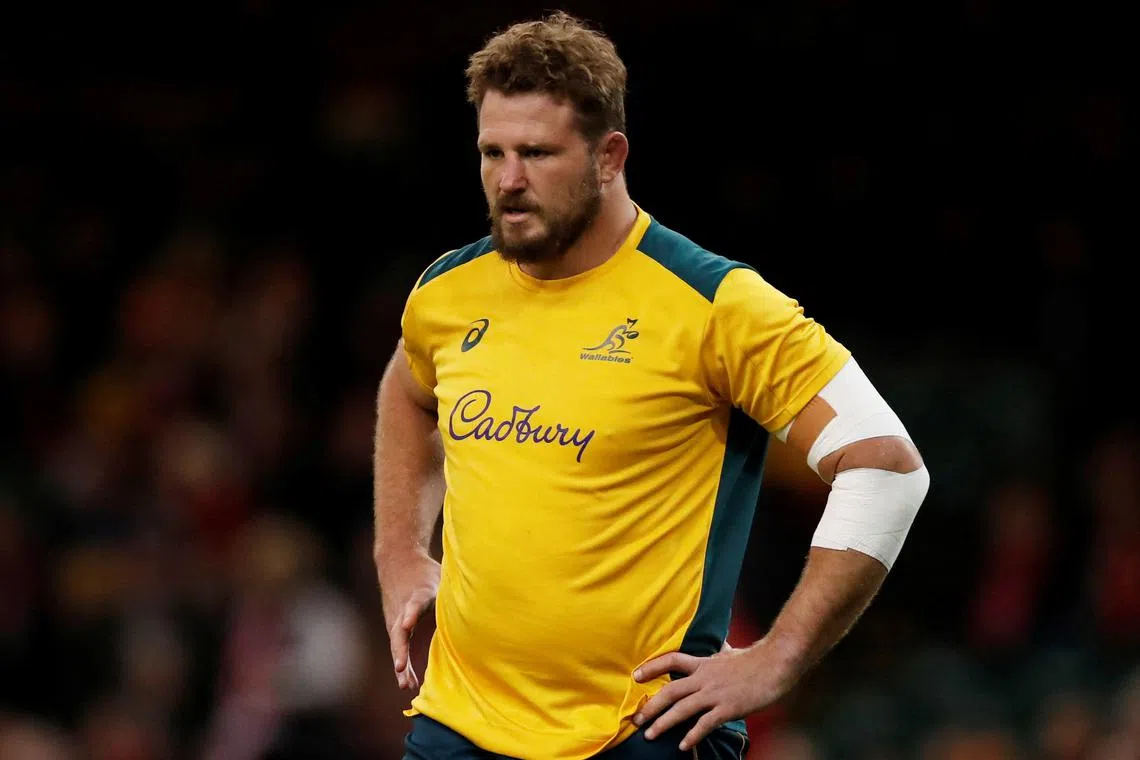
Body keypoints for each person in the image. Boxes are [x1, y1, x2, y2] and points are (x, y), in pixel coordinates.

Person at [373, 11, 930, 760]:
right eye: (492, 152)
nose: (508, 181)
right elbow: (408, 389)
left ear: (609, 156)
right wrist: (400, 550)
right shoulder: (448, 290)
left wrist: (777, 657)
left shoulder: (715, 304)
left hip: (644, 732)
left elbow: (886, 468)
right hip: (459, 726)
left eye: (537, 153)